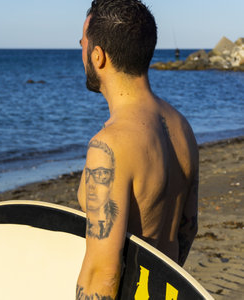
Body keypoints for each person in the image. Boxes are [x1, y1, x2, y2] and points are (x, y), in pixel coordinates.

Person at [76, 1, 199, 299]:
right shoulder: (181, 127)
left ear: (97, 55)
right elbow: (187, 228)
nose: (81, 51)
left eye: (82, 43)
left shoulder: (109, 145)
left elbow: (102, 274)